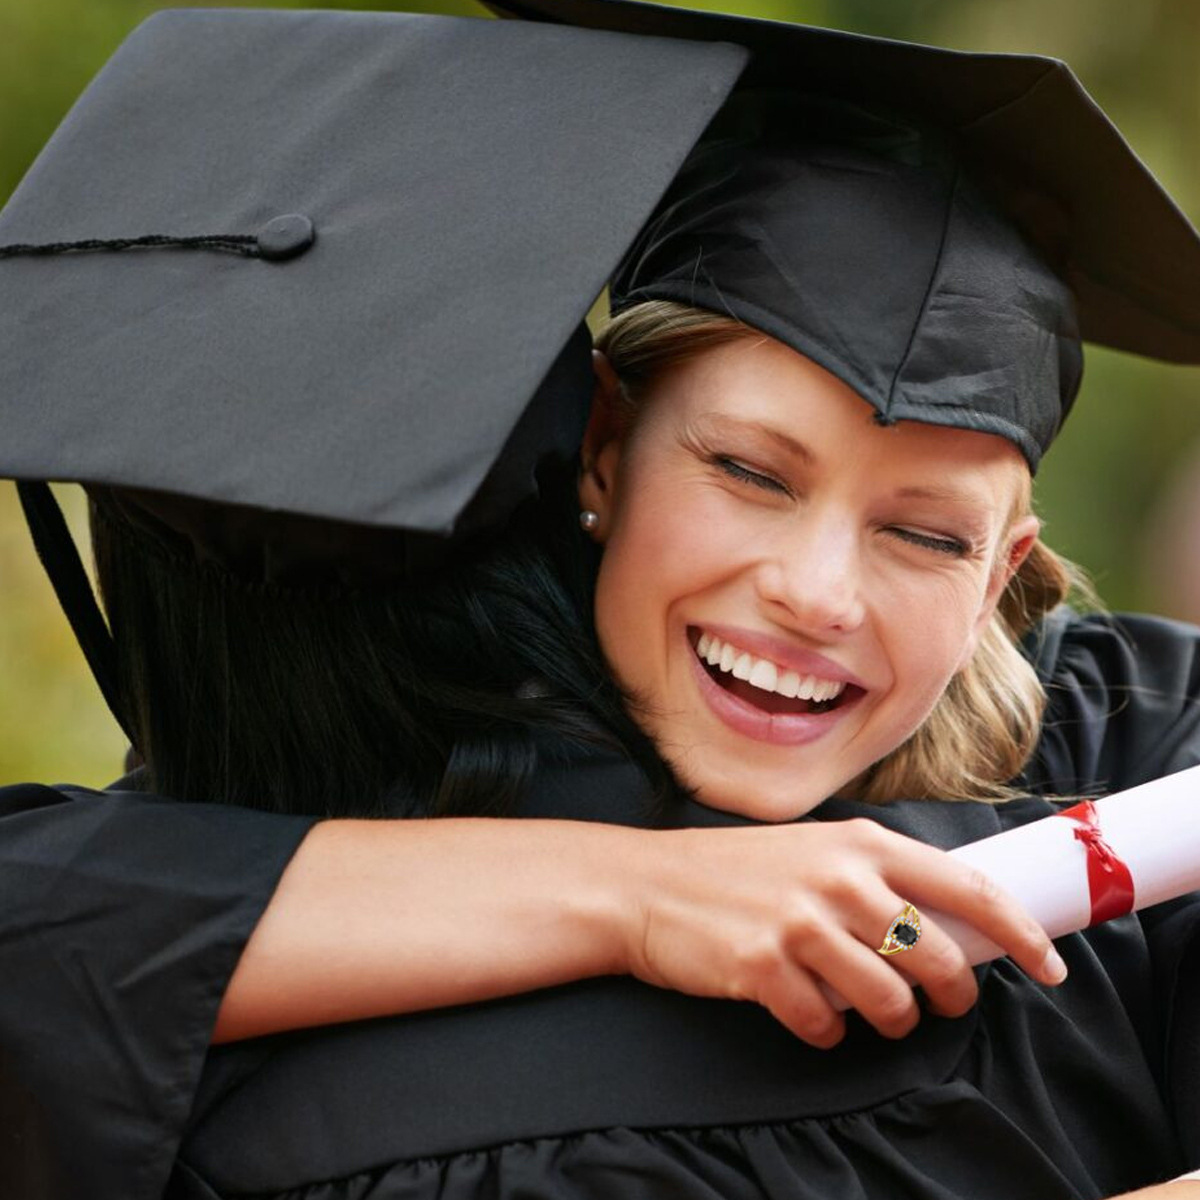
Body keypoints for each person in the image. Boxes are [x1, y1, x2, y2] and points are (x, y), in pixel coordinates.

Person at [2, 3, 1200, 1199]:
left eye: (928, 535)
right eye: (745, 472)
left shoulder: (1125, 743)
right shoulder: (244, 901)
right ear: (605, 450)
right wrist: (643, 894)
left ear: (1003, 571)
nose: (817, 596)